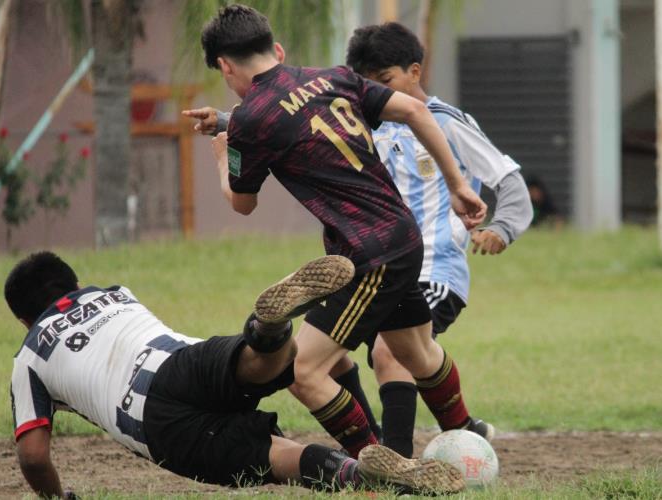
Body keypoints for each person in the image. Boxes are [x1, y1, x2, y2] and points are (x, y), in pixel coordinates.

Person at [185, 4, 487, 460]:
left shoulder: (252, 119)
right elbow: (415, 112)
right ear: (277, 50)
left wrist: (222, 158)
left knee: (302, 371)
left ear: (225, 66)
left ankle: (380, 472)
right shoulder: (332, 78)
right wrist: (458, 185)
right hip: (403, 236)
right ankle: (466, 433)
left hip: (366, 256)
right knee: (419, 353)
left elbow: (242, 204)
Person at [6, 251, 466, 498]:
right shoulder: (115, 294)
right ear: (73, 284)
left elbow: (32, 455)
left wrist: (54, 498)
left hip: (154, 423)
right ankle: (269, 331)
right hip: (182, 359)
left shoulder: (30, 355)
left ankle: (362, 477)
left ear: (25, 319)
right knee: (260, 363)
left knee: (277, 456)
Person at [324, 22, 534, 458]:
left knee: (390, 351)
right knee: (317, 356)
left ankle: (393, 462)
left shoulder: (446, 122)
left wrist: (502, 227)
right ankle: (449, 429)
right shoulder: (363, 127)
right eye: (367, 86)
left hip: (434, 270)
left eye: (385, 83)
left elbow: (509, 181)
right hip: (372, 271)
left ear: (414, 71)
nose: (377, 94)